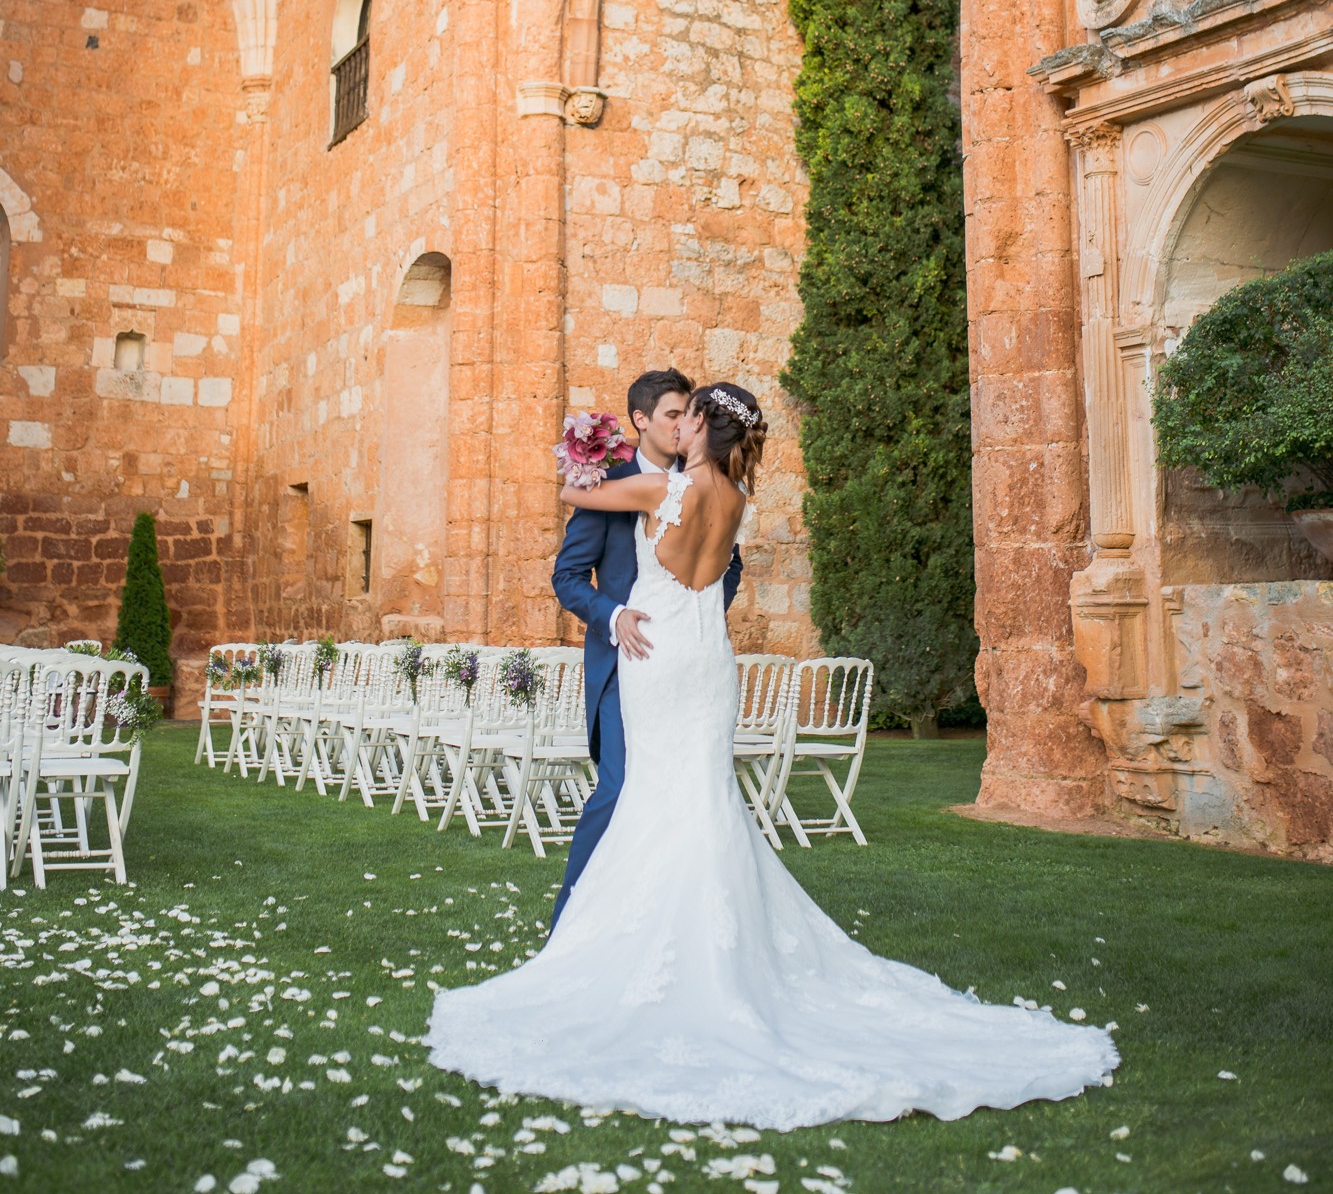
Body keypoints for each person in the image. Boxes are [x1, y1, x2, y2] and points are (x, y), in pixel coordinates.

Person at [425, 383, 1119, 1129]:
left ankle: (628, 954)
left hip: (655, 654)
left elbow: (571, 492)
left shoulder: (659, 486)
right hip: (705, 657)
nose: (678, 423)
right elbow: (710, 575)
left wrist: (583, 456)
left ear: (700, 428)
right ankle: (701, 948)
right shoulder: (736, 496)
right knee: (699, 797)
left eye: (687, 416)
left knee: (660, 796)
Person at [548, 367, 742, 925]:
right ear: (641, 420)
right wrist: (612, 615)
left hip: (686, 661)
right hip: (624, 663)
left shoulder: (703, 481)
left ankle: (668, 922)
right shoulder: (607, 483)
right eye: (673, 414)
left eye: (690, 415)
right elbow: (567, 576)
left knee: (689, 792)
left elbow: (730, 568)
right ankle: (573, 921)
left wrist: (690, 617)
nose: (684, 425)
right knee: (619, 788)